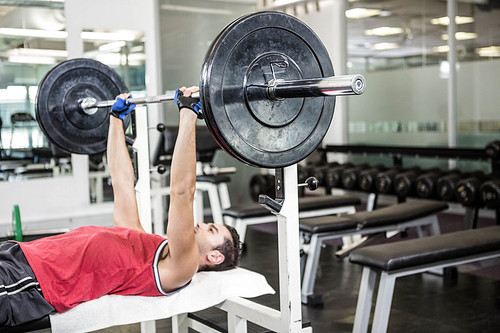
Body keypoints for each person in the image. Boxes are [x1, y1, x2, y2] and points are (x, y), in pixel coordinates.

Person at [0, 86, 241, 327]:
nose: (200, 223)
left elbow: (182, 193)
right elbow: (122, 182)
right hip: (21, 256)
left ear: (215, 256)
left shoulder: (181, 269)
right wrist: (116, 121)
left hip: (32, 281)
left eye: (211, 230)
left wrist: (188, 115)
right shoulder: (142, 244)